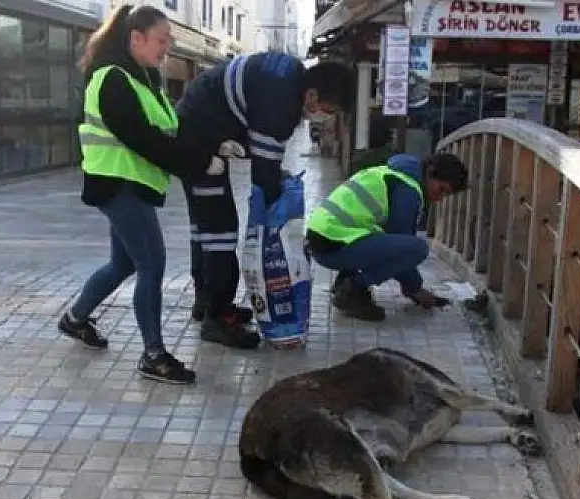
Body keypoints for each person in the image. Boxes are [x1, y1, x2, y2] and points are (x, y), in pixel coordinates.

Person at [59, 4, 235, 384]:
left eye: (169, 41)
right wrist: (199, 164)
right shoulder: (113, 79)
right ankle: (153, 355)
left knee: (124, 264)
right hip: (117, 185)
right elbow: (143, 140)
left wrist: (214, 145)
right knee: (151, 265)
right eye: (161, 40)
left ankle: (75, 318)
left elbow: (172, 129)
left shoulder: (144, 80)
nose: (167, 48)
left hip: (131, 184)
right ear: (135, 38)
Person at [175, 53, 356, 349]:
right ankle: (215, 318)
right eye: (328, 108)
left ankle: (206, 302)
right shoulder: (281, 102)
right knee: (219, 231)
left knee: (205, 227)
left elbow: (266, 163)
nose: (326, 116)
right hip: (197, 139)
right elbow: (263, 174)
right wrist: (277, 225)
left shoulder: (290, 79)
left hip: (203, 128)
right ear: (312, 94)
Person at [306, 153, 469, 321]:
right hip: (333, 245)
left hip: (322, 238)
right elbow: (402, 248)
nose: (439, 198)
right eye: (441, 189)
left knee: (374, 237)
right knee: (418, 248)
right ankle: (353, 289)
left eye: (445, 195)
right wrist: (414, 288)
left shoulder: (390, 173)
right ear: (430, 172)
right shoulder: (408, 190)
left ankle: (346, 282)